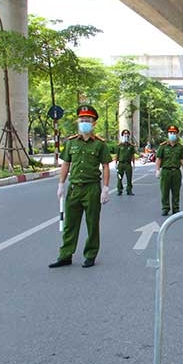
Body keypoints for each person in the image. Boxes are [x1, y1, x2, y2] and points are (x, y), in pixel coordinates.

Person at [49, 105, 111, 269]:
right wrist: (61, 184)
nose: (84, 123)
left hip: (92, 188)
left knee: (92, 223)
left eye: (88, 120)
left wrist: (105, 188)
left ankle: (90, 255)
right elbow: (66, 163)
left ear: (94, 123)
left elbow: (105, 166)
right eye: (82, 120)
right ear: (78, 121)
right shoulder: (71, 143)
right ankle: (65, 255)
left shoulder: (100, 144)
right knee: (70, 223)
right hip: (74, 188)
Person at [155, 125, 183, 216]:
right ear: (168, 134)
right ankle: (165, 208)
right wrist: (157, 170)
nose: (172, 134)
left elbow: (182, 159)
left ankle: (176, 208)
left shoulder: (179, 147)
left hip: (176, 172)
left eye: (174, 133)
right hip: (166, 172)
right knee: (165, 191)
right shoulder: (163, 146)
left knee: (176, 191)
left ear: (177, 134)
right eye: (170, 133)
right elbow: (159, 159)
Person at [115, 129, 136, 195]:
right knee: (119, 178)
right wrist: (116, 163)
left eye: (127, 134)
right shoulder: (119, 146)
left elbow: (132, 155)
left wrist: (133, 163)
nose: (126, 135)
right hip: (121, 164)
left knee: (129, 178)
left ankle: (129, 190)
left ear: (129, 136)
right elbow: (117, 155)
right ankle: (119, 190)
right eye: (124, 134)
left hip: (128, 164)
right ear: (122, 135)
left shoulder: (131, 146)